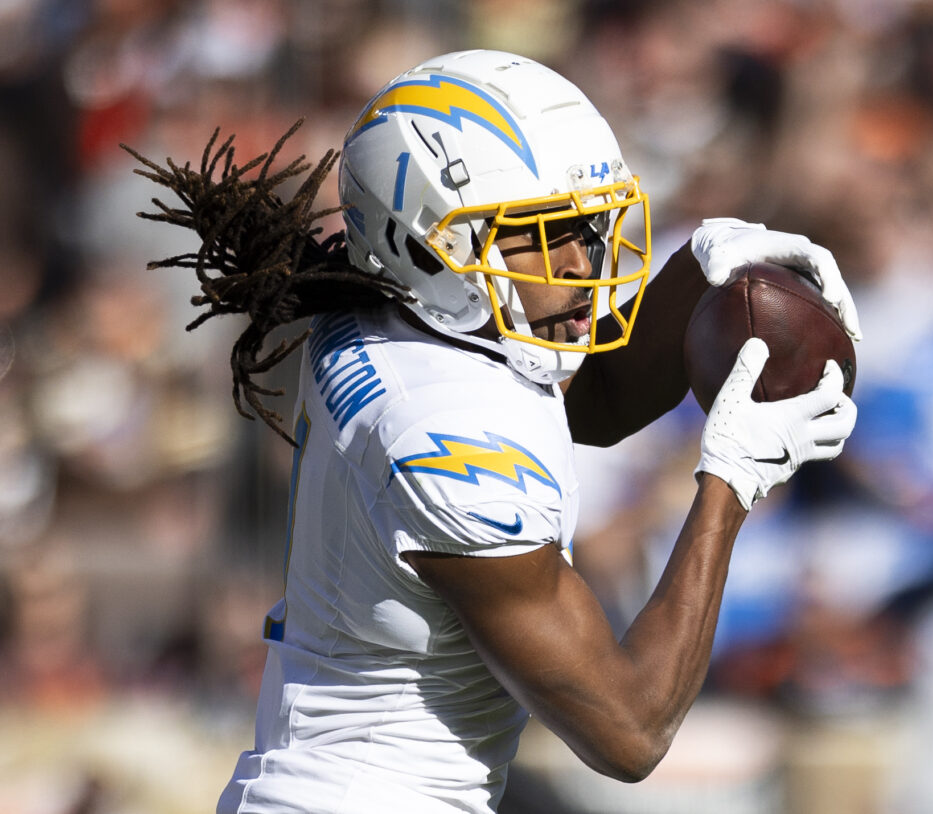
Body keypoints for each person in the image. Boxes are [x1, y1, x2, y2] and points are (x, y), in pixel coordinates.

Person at [128, 49, 859, 814]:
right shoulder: (440, 431)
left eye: (585, 225)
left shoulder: (400, 309)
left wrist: (700, 268)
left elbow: (587, 402)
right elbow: (629, 729)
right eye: (537, 234)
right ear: (424, 244)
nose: (579, 264)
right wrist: (731, 483)